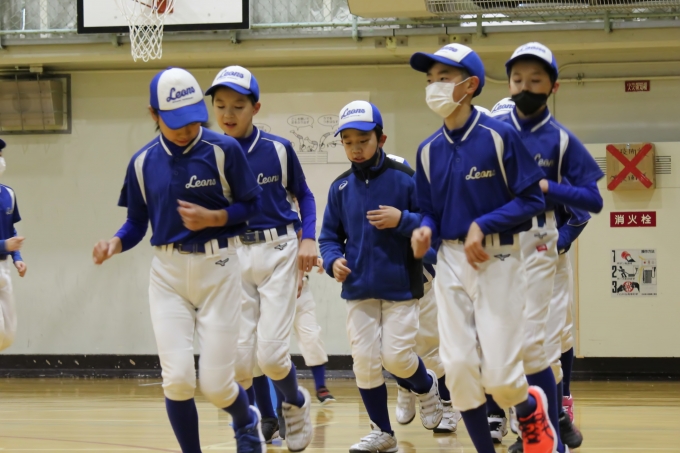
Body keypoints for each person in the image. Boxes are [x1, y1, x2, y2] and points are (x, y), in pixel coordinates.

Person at [92, 67, 265, 453]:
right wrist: (115, 243)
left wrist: (215, 218)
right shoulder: (142, 163)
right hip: (168, 276)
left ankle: (245, 419)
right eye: (175, 123)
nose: (186, 130)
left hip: (220, 269)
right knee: (178, 380)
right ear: (153, 114)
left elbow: (253, 206)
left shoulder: (224, 150)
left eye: (192, 120)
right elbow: (137, 223)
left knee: (216, 385)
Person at [409, 43, 557, 453]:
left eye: (444, 78)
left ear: (470, 85)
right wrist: (424, 231)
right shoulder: (427, 150)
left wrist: (482, 224)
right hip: (450, 260)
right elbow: (428, 211)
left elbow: (532, 199)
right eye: (429, 79)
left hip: (499, 257)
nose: (434, 86)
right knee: (457, 368)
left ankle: (530, 407)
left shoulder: (500, 136)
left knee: (501, 380)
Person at [493, 42, 603, 453]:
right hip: (504, 255)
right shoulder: (493, 149)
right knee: (509, 345)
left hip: (546, 252)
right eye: (517, 79)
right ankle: (538, 421)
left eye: (534, 79)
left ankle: (551, 420)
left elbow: (585, 206)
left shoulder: (556, 145)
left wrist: (559, 237)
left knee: (546, 344)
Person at [319, 100, 444, 453]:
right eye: (348, 142)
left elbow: (432, 223)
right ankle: (382, 432)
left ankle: (425, 385)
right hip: (358, 289)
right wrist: (332, 261)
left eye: (363, 140)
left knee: (397, 358)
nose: (356, 149)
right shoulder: (340, 188)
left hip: (402, 286)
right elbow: (328, 237)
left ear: (381, 138)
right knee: (364, 361)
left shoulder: (405, 178)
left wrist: (401, 219)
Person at [205, 65, 316, 451]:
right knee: (239, 362)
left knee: (271, 357)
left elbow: (305, 195)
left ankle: (295, 403)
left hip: (278, 250)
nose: (228, 113)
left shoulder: (278, 149)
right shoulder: (208, 156)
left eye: (238, 105)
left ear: (256, 108)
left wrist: (309, 238)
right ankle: (261, 419)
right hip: (233, 254)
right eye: (220, 105)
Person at [386, 154, 461, 434]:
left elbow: (434, 251)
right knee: (387, 349)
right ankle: (405, 385)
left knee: (432, 351)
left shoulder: (421, 211)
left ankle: (449, 406)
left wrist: (409, 236)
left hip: (422, 285)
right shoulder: (363, 200)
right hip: (383, 289)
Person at [0, 138, 27, 353]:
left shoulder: (8, 194)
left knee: (7, 335)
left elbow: (11, 230)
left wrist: (17, 257)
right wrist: (4, 245)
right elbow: (6, 242)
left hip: (4, 267)